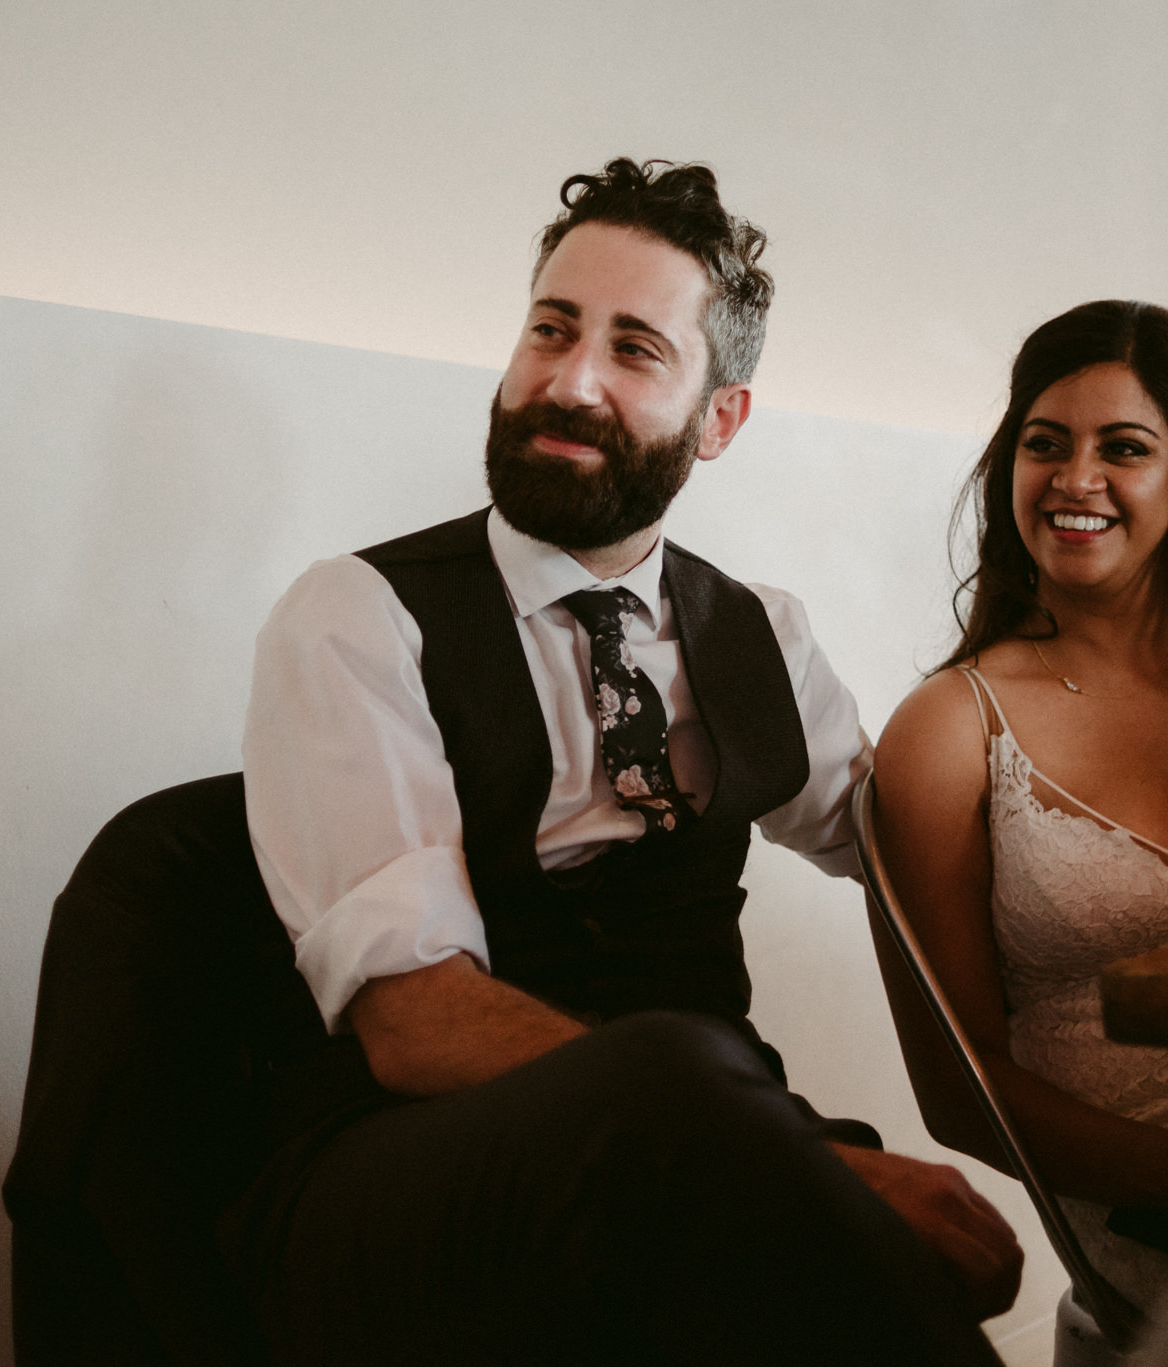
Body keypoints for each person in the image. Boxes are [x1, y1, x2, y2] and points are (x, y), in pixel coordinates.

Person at [231, 158, 1021, 1365]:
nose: (569, 378)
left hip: (691, 1138)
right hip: (400, 1168)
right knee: (726, 1136)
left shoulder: (763, 634)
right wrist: (790, 1150)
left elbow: (911, 851)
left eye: (635, 348)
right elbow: (414, 1020)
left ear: (719, 419)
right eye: (549, 329)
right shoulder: (355, 615)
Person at [873, 300, 1168, 1307]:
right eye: (1043, 444)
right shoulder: (949, 728)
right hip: (1155, 1212)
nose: (1075, 479)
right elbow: (957, 1084)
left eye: (1124, 447)